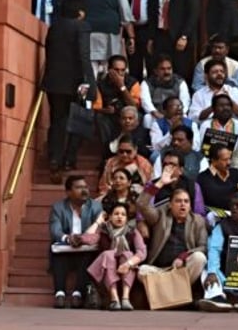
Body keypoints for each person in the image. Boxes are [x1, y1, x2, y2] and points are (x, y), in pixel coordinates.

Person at [41, 0, 97, 182]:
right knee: (79, 121)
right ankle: (69, 159)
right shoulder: (82, 27)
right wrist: (88, 82)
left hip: (53, 82)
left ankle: (54, 159)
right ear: (80, 12)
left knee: (57, 121)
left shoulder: (54, 28)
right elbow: (84, 55)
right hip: (76, 83)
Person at [137, 175, 209, 295]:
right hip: (160, 270)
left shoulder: (198, 221)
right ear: (170, 204)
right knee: (142, 271)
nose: (183, 205)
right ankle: (178, 294)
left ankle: (168, 294)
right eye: (178, 201)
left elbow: (203, 247)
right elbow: (142, 204)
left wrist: (183, 256)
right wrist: (159, 184)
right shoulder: (160, 215)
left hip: (182, 270)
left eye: (186, 201)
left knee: (199, 258)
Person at [71, 0, 136, 72]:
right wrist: (131, 37)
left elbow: (69, 9)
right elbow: (126, 15)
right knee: (110, 67)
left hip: (86, 33)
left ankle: (93, 88)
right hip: (110, 34)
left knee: (90, 68)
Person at [48, 175, 102, 309]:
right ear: (68, 192)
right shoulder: (58, 207)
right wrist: (67, 238)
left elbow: (99, 229)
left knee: (87, 256)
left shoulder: (95, 207)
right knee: (57, 254)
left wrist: (82, 239)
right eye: (78, 187)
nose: (84, 190)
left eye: (85, 187)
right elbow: (55, 230)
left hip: (86, 247)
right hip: (66, 246)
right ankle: (59, 294)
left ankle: (78, 294)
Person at [82, 203, 146, 311]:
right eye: (116, 214)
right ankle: (114, 298)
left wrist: (128, 264)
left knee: (128, 254)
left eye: (123, 214)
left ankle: (125, 298)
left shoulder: (132, 231)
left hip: (125, 269)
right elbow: (86, 238)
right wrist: (98, 222)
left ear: (126, 218)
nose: (120, 217)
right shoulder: (103, 231)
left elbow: (142, 252)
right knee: (109, 254)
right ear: (110, 217)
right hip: (105, 269)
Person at [149, 0, 200, 79]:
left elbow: (193, 13)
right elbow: (154, 14)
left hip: (178, 37)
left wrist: (184, 36)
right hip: (161, 36)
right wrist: (151, 38)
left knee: (180, 71)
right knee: (159, 70)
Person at [92, 54, 140, 168]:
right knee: (100, 119)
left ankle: (133, 151)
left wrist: (121, 86)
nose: (120, 73)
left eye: (122, 70)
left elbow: (134, 106)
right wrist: (105, 110)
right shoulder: (101, 84)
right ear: (109, 70)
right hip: (110, 116)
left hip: (127, 115)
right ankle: (108, 155)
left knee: (139, 118)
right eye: (116, 70)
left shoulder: (133, 83)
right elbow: (96, 107)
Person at [188, 59, 238, 124]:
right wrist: (214, 105)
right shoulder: (199, 94)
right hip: (208, 131)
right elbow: (194, 118)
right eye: (215, 72)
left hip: (231, 130)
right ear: (206, 76)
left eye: (222, 71)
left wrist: (229, 100)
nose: (219, 74)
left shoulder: (233, 91)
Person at [140, 55, 191, 129]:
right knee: (147, 118)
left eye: (169, 68)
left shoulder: (180, 82)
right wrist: (158, 115)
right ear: (156, 71)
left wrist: (178, 115)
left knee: (186, 118)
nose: (166, 72)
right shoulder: (147, 83)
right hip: (157, 114)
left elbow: (185, 102)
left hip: (176, 115)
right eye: (162, 69)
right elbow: (146, 102)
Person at [197, 143, 238, 215]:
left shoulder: (235, 173)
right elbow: (216, 198)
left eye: (229, 158)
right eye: (225, 160)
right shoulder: (202, 178)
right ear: (213, 160)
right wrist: (237, 187)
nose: (229, 162)